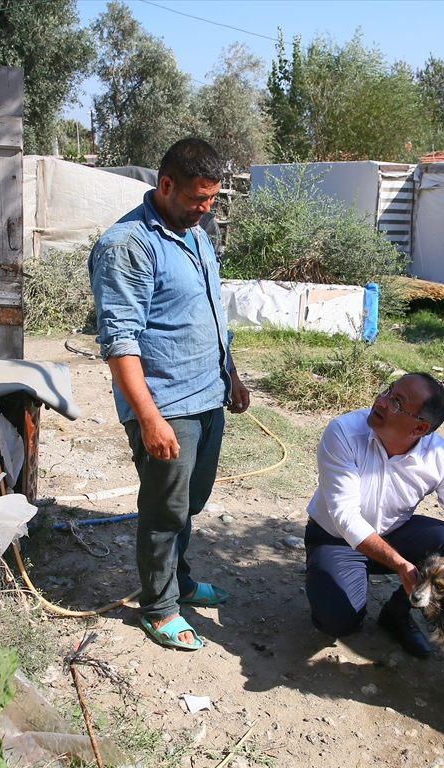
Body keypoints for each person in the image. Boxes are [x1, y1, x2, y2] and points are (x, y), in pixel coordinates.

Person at [88, 138, 250, 651]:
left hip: (208, 395)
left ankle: (178, 582)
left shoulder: (197, 232)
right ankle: (158, 608)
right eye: (198, 199)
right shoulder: (127, 246)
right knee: (164, 511)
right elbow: (120, 343)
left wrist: (233, 374)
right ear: (165, 185)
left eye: (212, 199)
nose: (207, 209)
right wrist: (150, 419)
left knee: (189, 503)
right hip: (166, 406)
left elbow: (209, 312)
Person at [304, 373, 444, 658]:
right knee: (338, 622)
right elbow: (345, 516)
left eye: (396, 402)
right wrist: (399, 564)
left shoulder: (441, 456)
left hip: (395, 532)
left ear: (419, 428)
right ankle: (335, 577)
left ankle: (396, 613)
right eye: (387, 392)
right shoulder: (343, 432)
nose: (380, 401)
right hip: (335, 539)